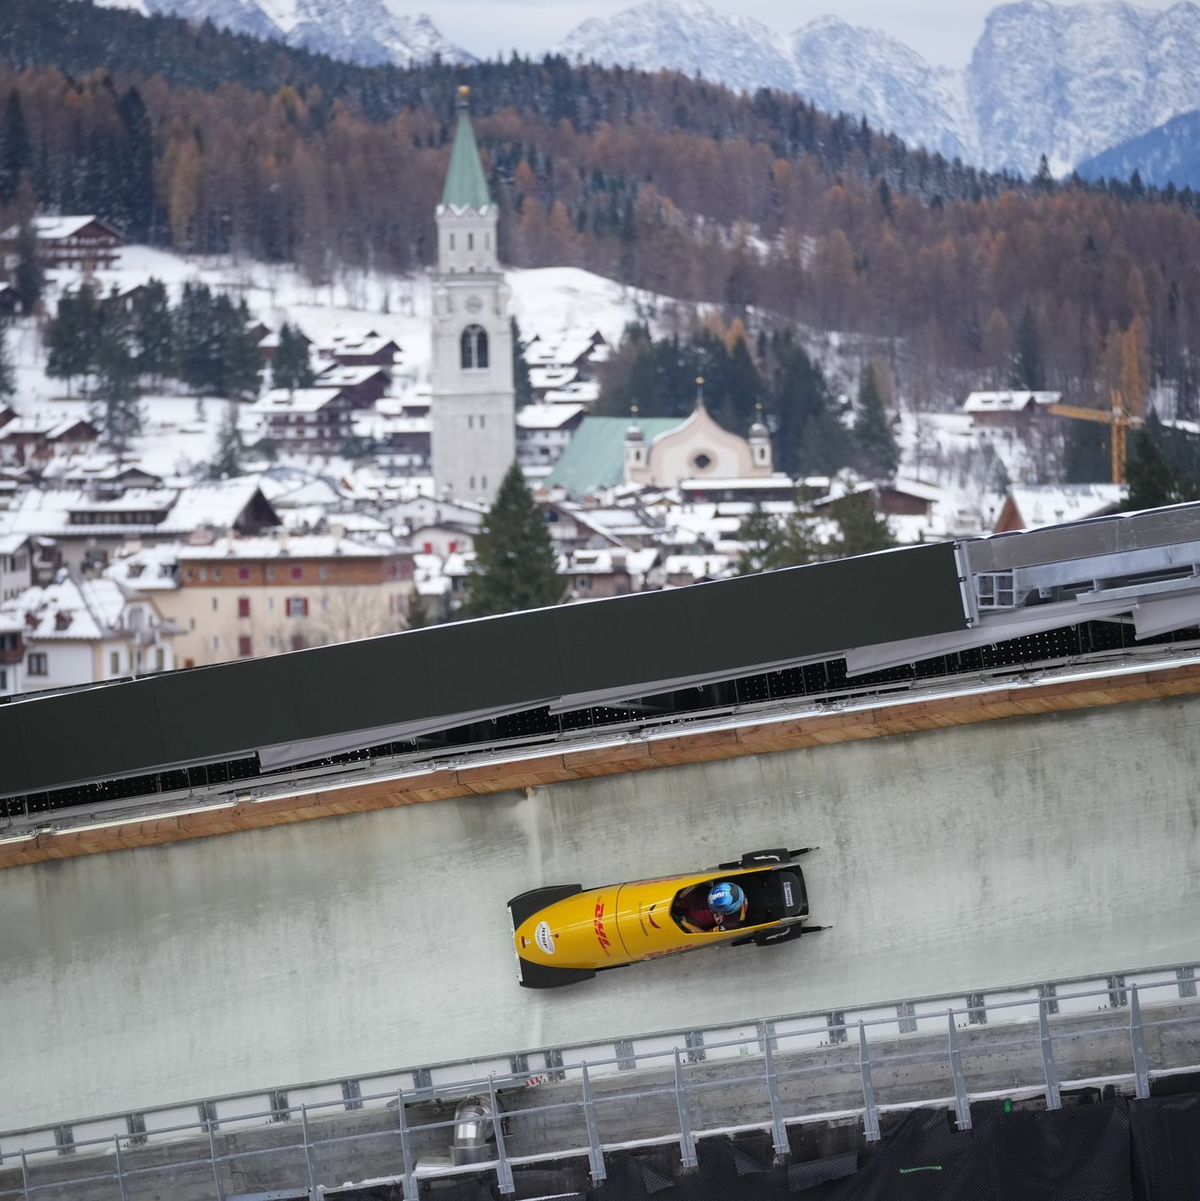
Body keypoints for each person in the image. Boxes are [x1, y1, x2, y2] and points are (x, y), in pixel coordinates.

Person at [675, 880, 748, 933]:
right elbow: (699, 881)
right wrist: (680, 897)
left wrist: (682, 922)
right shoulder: (725, 883)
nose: (711, 910)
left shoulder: (732, 922)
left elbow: (705, 935)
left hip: (694, 920)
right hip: (694, 898)